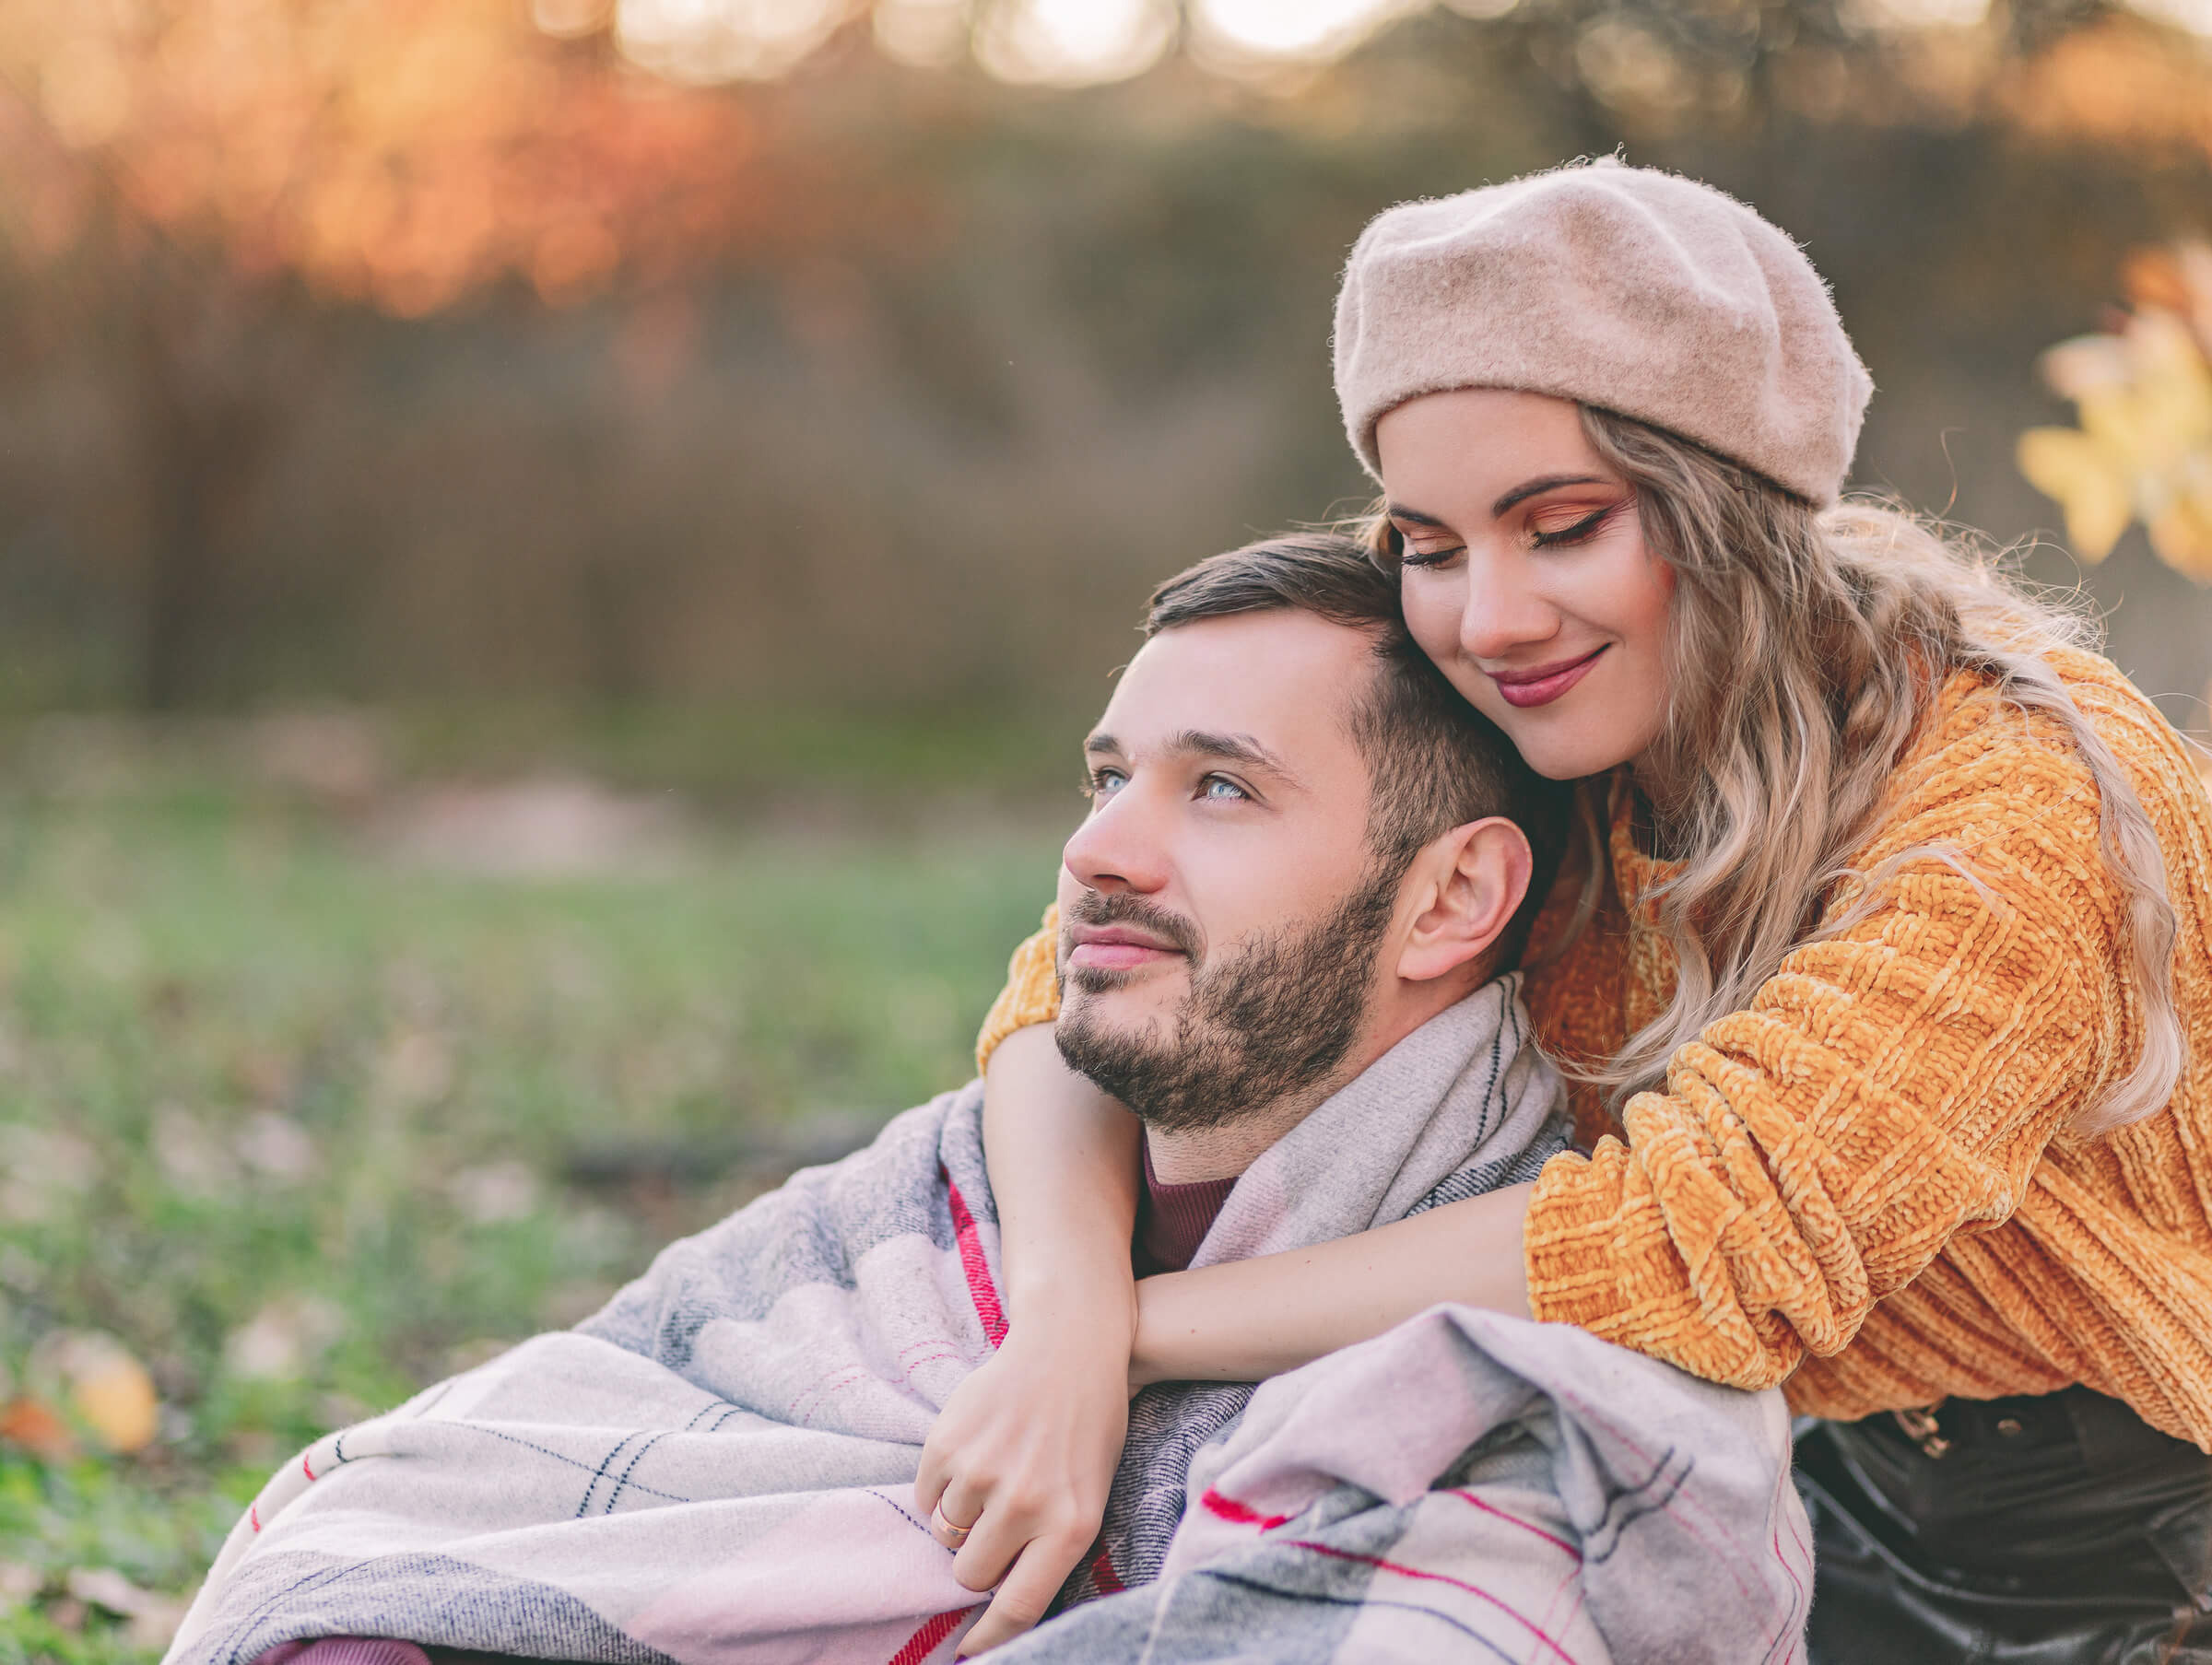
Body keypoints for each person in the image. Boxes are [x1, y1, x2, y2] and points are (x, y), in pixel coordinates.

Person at [926, 158, 2212, 1662]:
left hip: (2143, 1517)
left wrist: (1124, 1340)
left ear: (1727, 507)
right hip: (1799, 1460)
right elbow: (1074, 980)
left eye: (1563, 525)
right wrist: (1064, 1314)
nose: (1490, 620)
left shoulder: (2019, 803)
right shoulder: (1535, 721)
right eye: (1431, 545)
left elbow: (1701, 1239)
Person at [170, 534, 1810, 1665]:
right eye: (1107, 778)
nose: (1098, 851)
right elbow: (387, 1534)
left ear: (1451, 900)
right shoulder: (949, 1196)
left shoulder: (1555, 1397)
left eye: (1220, 787)